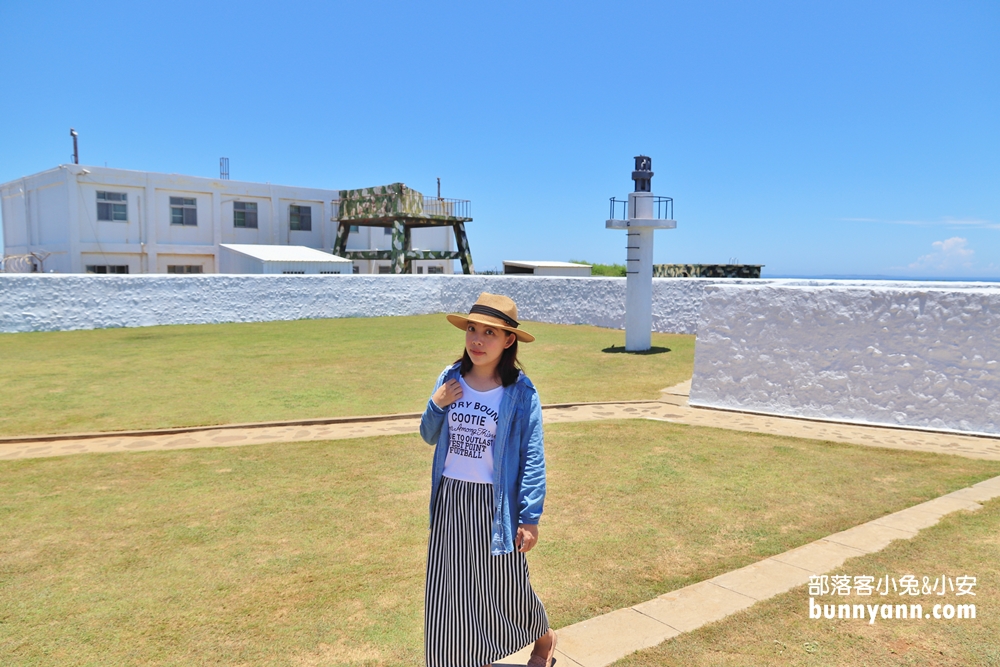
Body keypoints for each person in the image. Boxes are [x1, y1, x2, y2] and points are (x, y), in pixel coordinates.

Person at [419, 293, 558, 667]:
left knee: (507, 583)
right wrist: (436, 403)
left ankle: (543, 638)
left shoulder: (520, 391)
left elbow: (532, 454)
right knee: (451, 587)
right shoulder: (450, 379)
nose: (477, 340)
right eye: (472, 329)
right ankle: (457, 658)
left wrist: (530, 518)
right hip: (452, 498)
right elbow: (429, 435)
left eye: (489, 333)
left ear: (508, 340)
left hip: (495, 504)